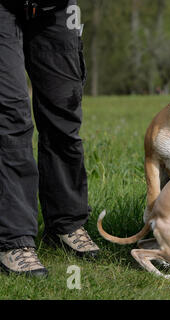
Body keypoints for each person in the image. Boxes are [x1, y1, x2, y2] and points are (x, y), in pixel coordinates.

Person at [0, 0, 99, 278]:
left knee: (64, 114)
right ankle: (15, 238)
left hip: (57, 7)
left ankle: (66, 223)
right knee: (11, 118)